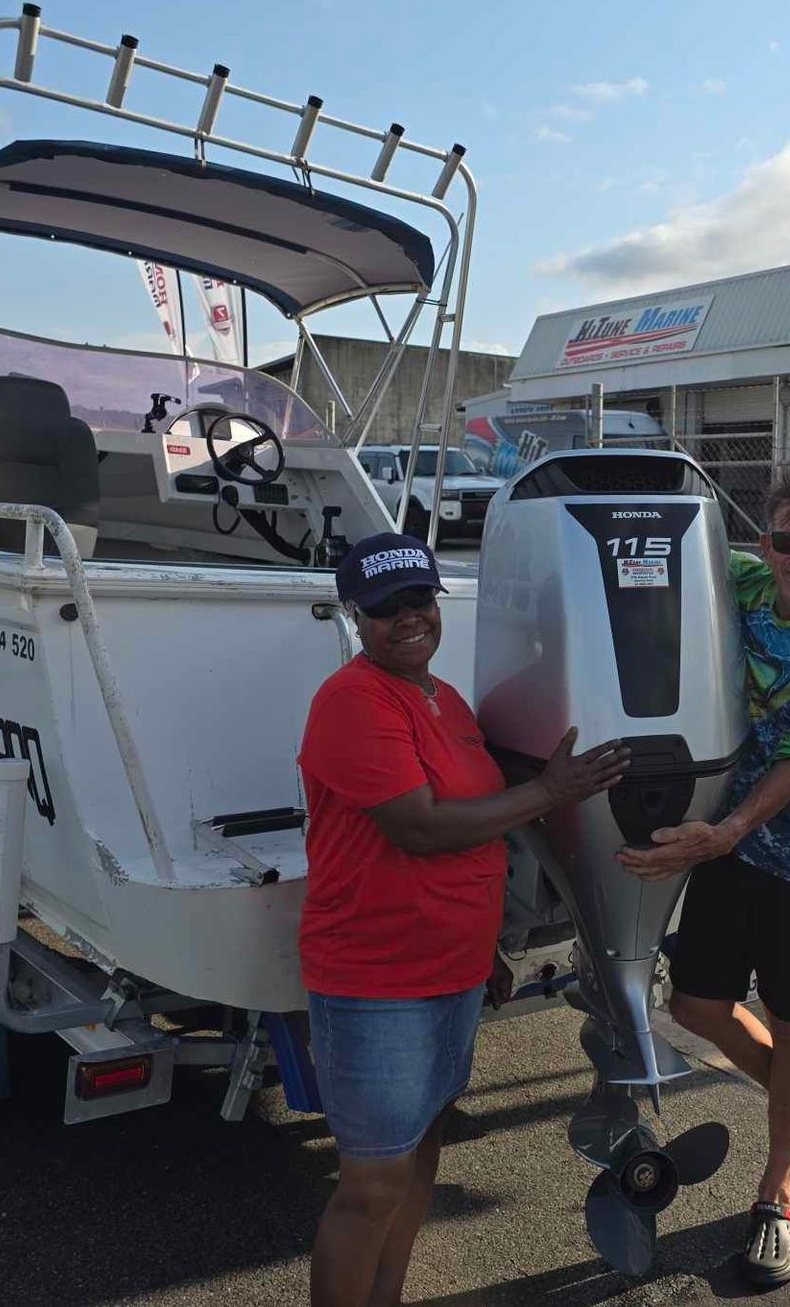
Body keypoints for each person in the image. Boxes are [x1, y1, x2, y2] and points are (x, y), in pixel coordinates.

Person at [298, 533, 629, 1307]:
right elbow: (420, 827)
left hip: (450, 972)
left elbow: (476, 833)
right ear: (354, 617)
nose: (409, 619)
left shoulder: (442, 698)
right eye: (386, 609)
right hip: (378, 983)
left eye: (420, 599)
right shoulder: (351, 702)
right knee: (372, 1183)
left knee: (420, 1157)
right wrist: (554, 791)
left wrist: (483, 951)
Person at [618, 467, 790, 1287]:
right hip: (725, 841)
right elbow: (665, 545)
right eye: (784, 541)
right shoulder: (741, 576)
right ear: (763, 543)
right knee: (696, 1003)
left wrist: (727, 830)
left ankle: (776, 1194)